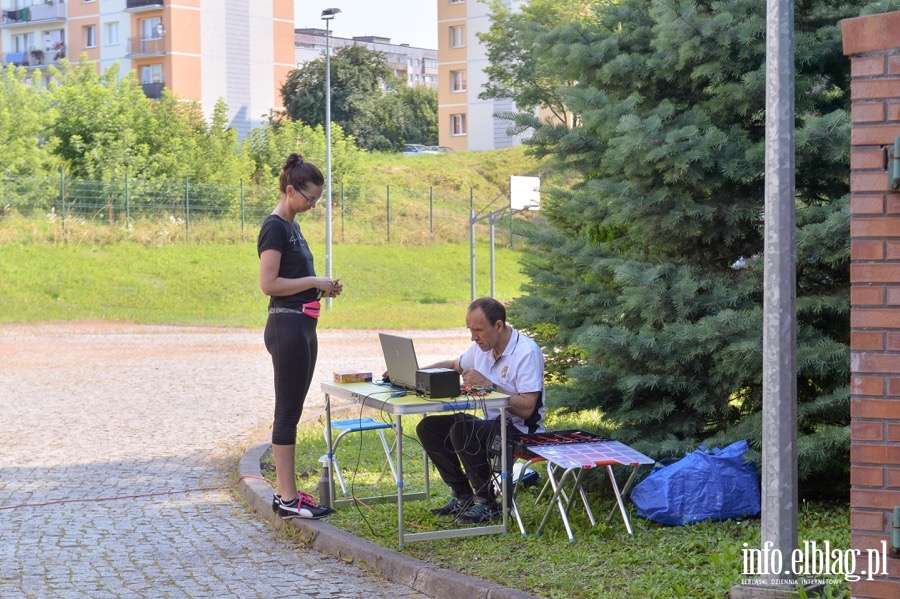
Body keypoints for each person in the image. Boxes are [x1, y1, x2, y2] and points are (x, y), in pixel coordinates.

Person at [258, 152, 343, 519]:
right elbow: (269, 283)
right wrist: (312, 281)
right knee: (287, 413)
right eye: (310, 199)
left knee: (291, 410)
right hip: (287, 325)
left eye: (317, 200)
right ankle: (287, 498)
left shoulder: (293, 226)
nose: (313, 205)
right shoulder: (275, 226)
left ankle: (286, 494)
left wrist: (321, 290)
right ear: (290, 190)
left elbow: (292, 282)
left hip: (303, 323)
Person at [415, 297, 545, 525]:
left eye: (478, 330)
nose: (473, 337)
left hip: (521, 431)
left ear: (498, 325)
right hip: (490, 423)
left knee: (464, 430)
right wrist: (416, 374)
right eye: (470, 330)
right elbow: (454, 365)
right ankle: (463, 496)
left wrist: (489, 385)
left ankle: (487, 503)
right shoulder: (481, 348)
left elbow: (526, 408)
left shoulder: (527, 352)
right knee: (429, 427)